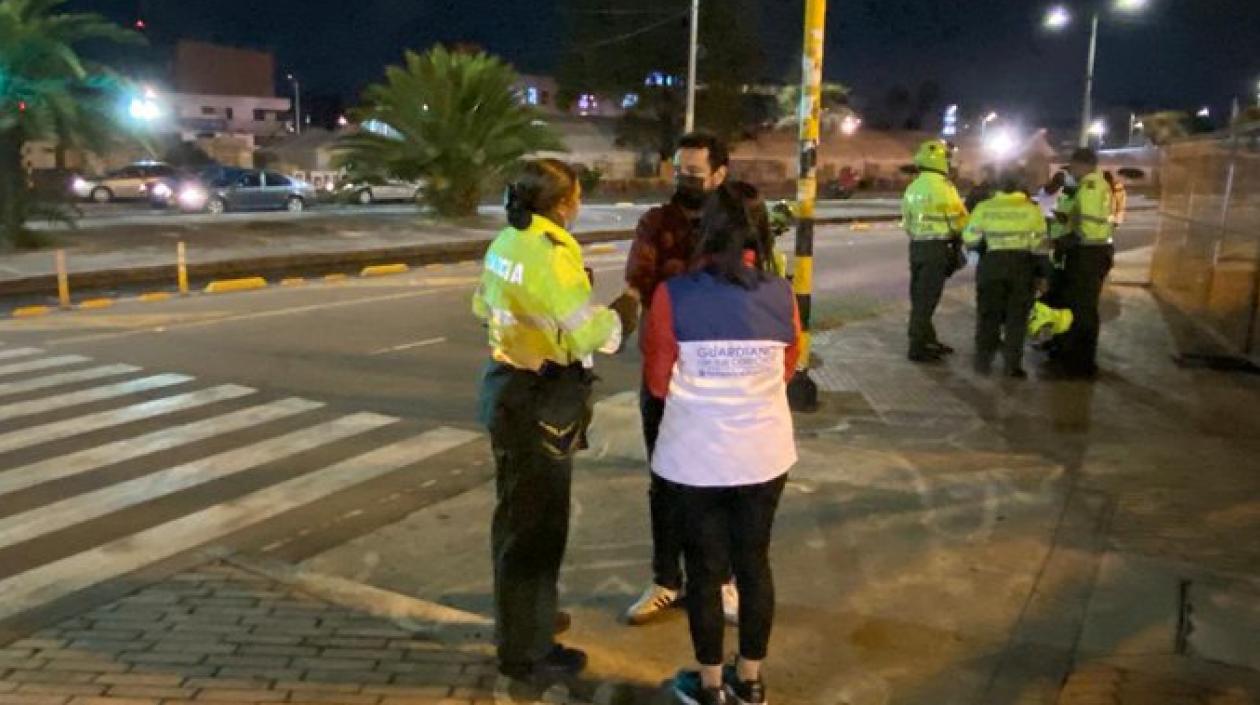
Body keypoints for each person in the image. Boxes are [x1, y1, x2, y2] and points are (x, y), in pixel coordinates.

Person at [473, 158, 639, 683]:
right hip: (541, 400)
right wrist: (622, 314)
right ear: (564, 203)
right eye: (578, 195)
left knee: (515, 518)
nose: (580, 203)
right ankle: (527, 652)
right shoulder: (552, 253)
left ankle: (525, 620)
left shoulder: (507, 242)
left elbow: (483, 306)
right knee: (539, 529)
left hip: (507, 390)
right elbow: (590, 333)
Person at [642, 182, 800, 705]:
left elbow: (659, 382)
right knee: (754, 565)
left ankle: (709, 687)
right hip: (764, 454)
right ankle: (751, 681)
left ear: (704, 231)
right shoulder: (781, 294)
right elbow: (787, 367)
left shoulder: (673, 295)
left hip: (694, 459)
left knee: (705, 574)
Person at [623, 132, 740, 627]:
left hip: (722, 375)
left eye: (694, 174)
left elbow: (759, 289)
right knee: (666, 483)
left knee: (724, 482)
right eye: (679, 171)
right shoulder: (656, 223)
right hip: (666, 375)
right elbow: (638, 283)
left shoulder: (741, 222)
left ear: (719, 175)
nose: (685, 181)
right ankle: (666, 580)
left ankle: (723, 580)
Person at [963, 171, 1051, 378]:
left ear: (998, 188)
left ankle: (983, 360)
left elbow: (970, 238)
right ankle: (1012, 364)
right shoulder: (1031, 210)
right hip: (1022, 267)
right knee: (1017, 318)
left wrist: (983, 248)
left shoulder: (985, 207)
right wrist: (1043, 274)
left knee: (988, 314)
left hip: (992, 265)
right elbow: (1040, 246)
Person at [902, 139, 969, 363]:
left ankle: (928, 338)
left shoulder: (914, 186)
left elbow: (907, 222)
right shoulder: (945, 187)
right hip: (937, 248)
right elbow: (959, 220)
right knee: (927, 299)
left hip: (917, 247)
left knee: (919, 296)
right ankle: (917, 346)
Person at [1051, 148, 1114, 378]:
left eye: (1073, 166)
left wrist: (1064, 240)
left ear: (1083, 164)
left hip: (1089, 252)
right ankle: (1077, 357)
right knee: (1080, 305)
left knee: (1083, 309)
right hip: (1093, 251)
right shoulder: (1095, 184)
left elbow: (1085, 223)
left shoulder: (1089, 186)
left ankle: (1081, 363)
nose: (1073, 171)